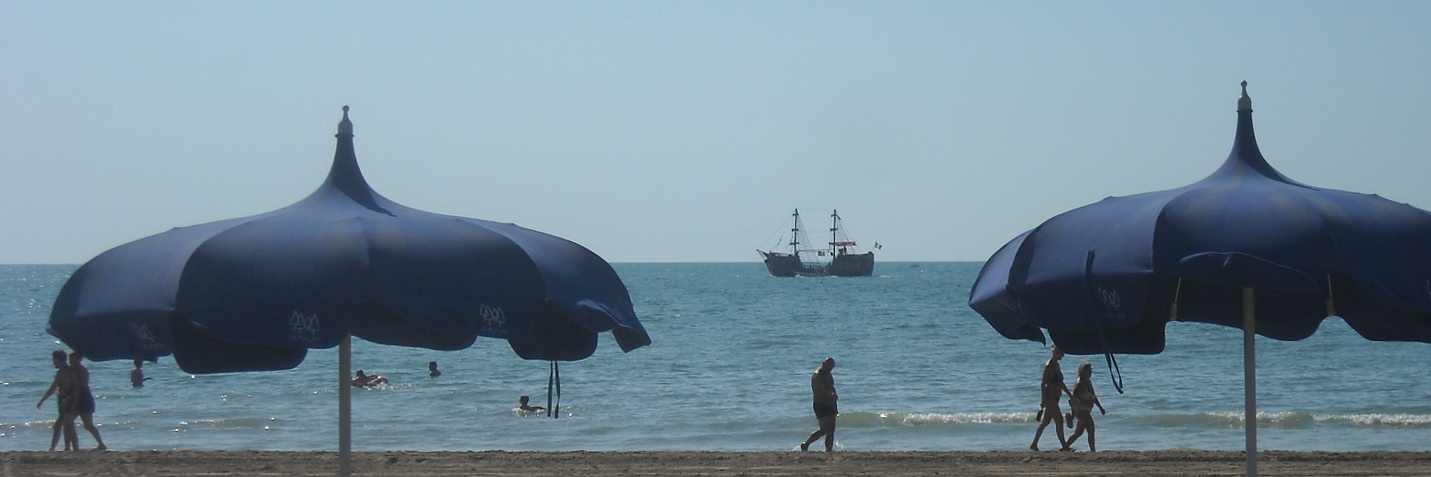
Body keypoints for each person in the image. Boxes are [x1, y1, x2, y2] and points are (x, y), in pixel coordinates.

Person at [1030, 344, 1070, 451]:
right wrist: (1043, 399)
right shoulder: (1049, 366)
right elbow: (1043, 383)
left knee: (1045, 422)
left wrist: (1070, 395)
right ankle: (1064, 446)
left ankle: (1034, 444)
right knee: (1059, 421)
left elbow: (1061, 383)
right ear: (1054, 352)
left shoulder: (1057, 365)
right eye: (1060, 353)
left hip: (1055, 397)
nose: (1062, 355)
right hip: (1050, 397)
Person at [36, 350, 77, 451]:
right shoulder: (70, 370)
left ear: (58, 360)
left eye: (54, 360)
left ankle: (53, 448)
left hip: (66, 401)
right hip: (66, 400)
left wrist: (42, 400)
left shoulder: (62, 372)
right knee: (66, 425)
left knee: (58, 425)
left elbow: (53, 388)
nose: (53, 363)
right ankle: (67, 447)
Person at [1062, 362, 1107, 452]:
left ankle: (1064, 447)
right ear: (1083, 371)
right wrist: (1074, 413)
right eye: (1089, 371)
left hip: (1086, 410)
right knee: (1091, 428)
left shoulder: (1088, 382)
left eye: (1091, 371)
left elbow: (1093, 397)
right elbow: (1074, 399)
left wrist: (1100, 407)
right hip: (1081, 410)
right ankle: (1093, 450)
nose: (1091, 373)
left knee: (1078, 432)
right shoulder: (1079, 384)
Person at [67, 352, 107, 450]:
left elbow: (77, 387)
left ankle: (75, 446)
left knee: (72, 422)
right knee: (86, 425)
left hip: (82, 397)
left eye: (72, 360)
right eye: (69, 360)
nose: (70, 362)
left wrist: (74, 403)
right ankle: (100, 444)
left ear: (78, 360)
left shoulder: (77, 370)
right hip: (85, 395)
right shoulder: (81, 369)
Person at [799, 357, 839, 452]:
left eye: (832, 367)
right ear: (824, 364)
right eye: (829, 366)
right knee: (824, 429)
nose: (830, 369)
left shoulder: (828, 374)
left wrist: (833, 397)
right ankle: (806, 444)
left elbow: (831, 386)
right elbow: (823, 389)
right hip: (821, 403)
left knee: (832, 428)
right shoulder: (818, 375)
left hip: (831, 403)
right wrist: (831, 394)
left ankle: (829, 448)